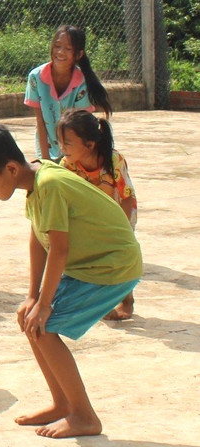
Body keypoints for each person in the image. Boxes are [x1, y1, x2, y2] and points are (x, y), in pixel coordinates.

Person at [0, 123, 143, 439]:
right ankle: (62, 404)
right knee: (27, 317)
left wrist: (45, 305)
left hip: (111, 267)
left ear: (11, 168)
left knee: (44, 326)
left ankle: (85, 417)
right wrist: (32, 297)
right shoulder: (36, 181)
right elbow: (38, 239)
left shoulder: (51, 184)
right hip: (89, 265)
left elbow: (59, 249)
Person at [57, 108, 138, 320]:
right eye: (60, 141)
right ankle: (104, 302)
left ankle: (126, 298)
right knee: (98, 261)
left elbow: (127, 197)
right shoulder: (67, 166)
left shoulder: (113, 160)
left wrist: (123, 230)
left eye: (67, 142)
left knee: (119, 260)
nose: (62, 148)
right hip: (90, 220)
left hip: (120, 217)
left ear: (90, 145)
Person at [25, 24, 113, 161]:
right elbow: (40, 122)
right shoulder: (35, 77)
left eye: (68, 49)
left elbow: (80, 127)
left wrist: (72, 159)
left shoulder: (82, 82)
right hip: (48, 150)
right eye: (57, 46)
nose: (60, 52)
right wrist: (45, 160)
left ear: (78, 54)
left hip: (76, 151)